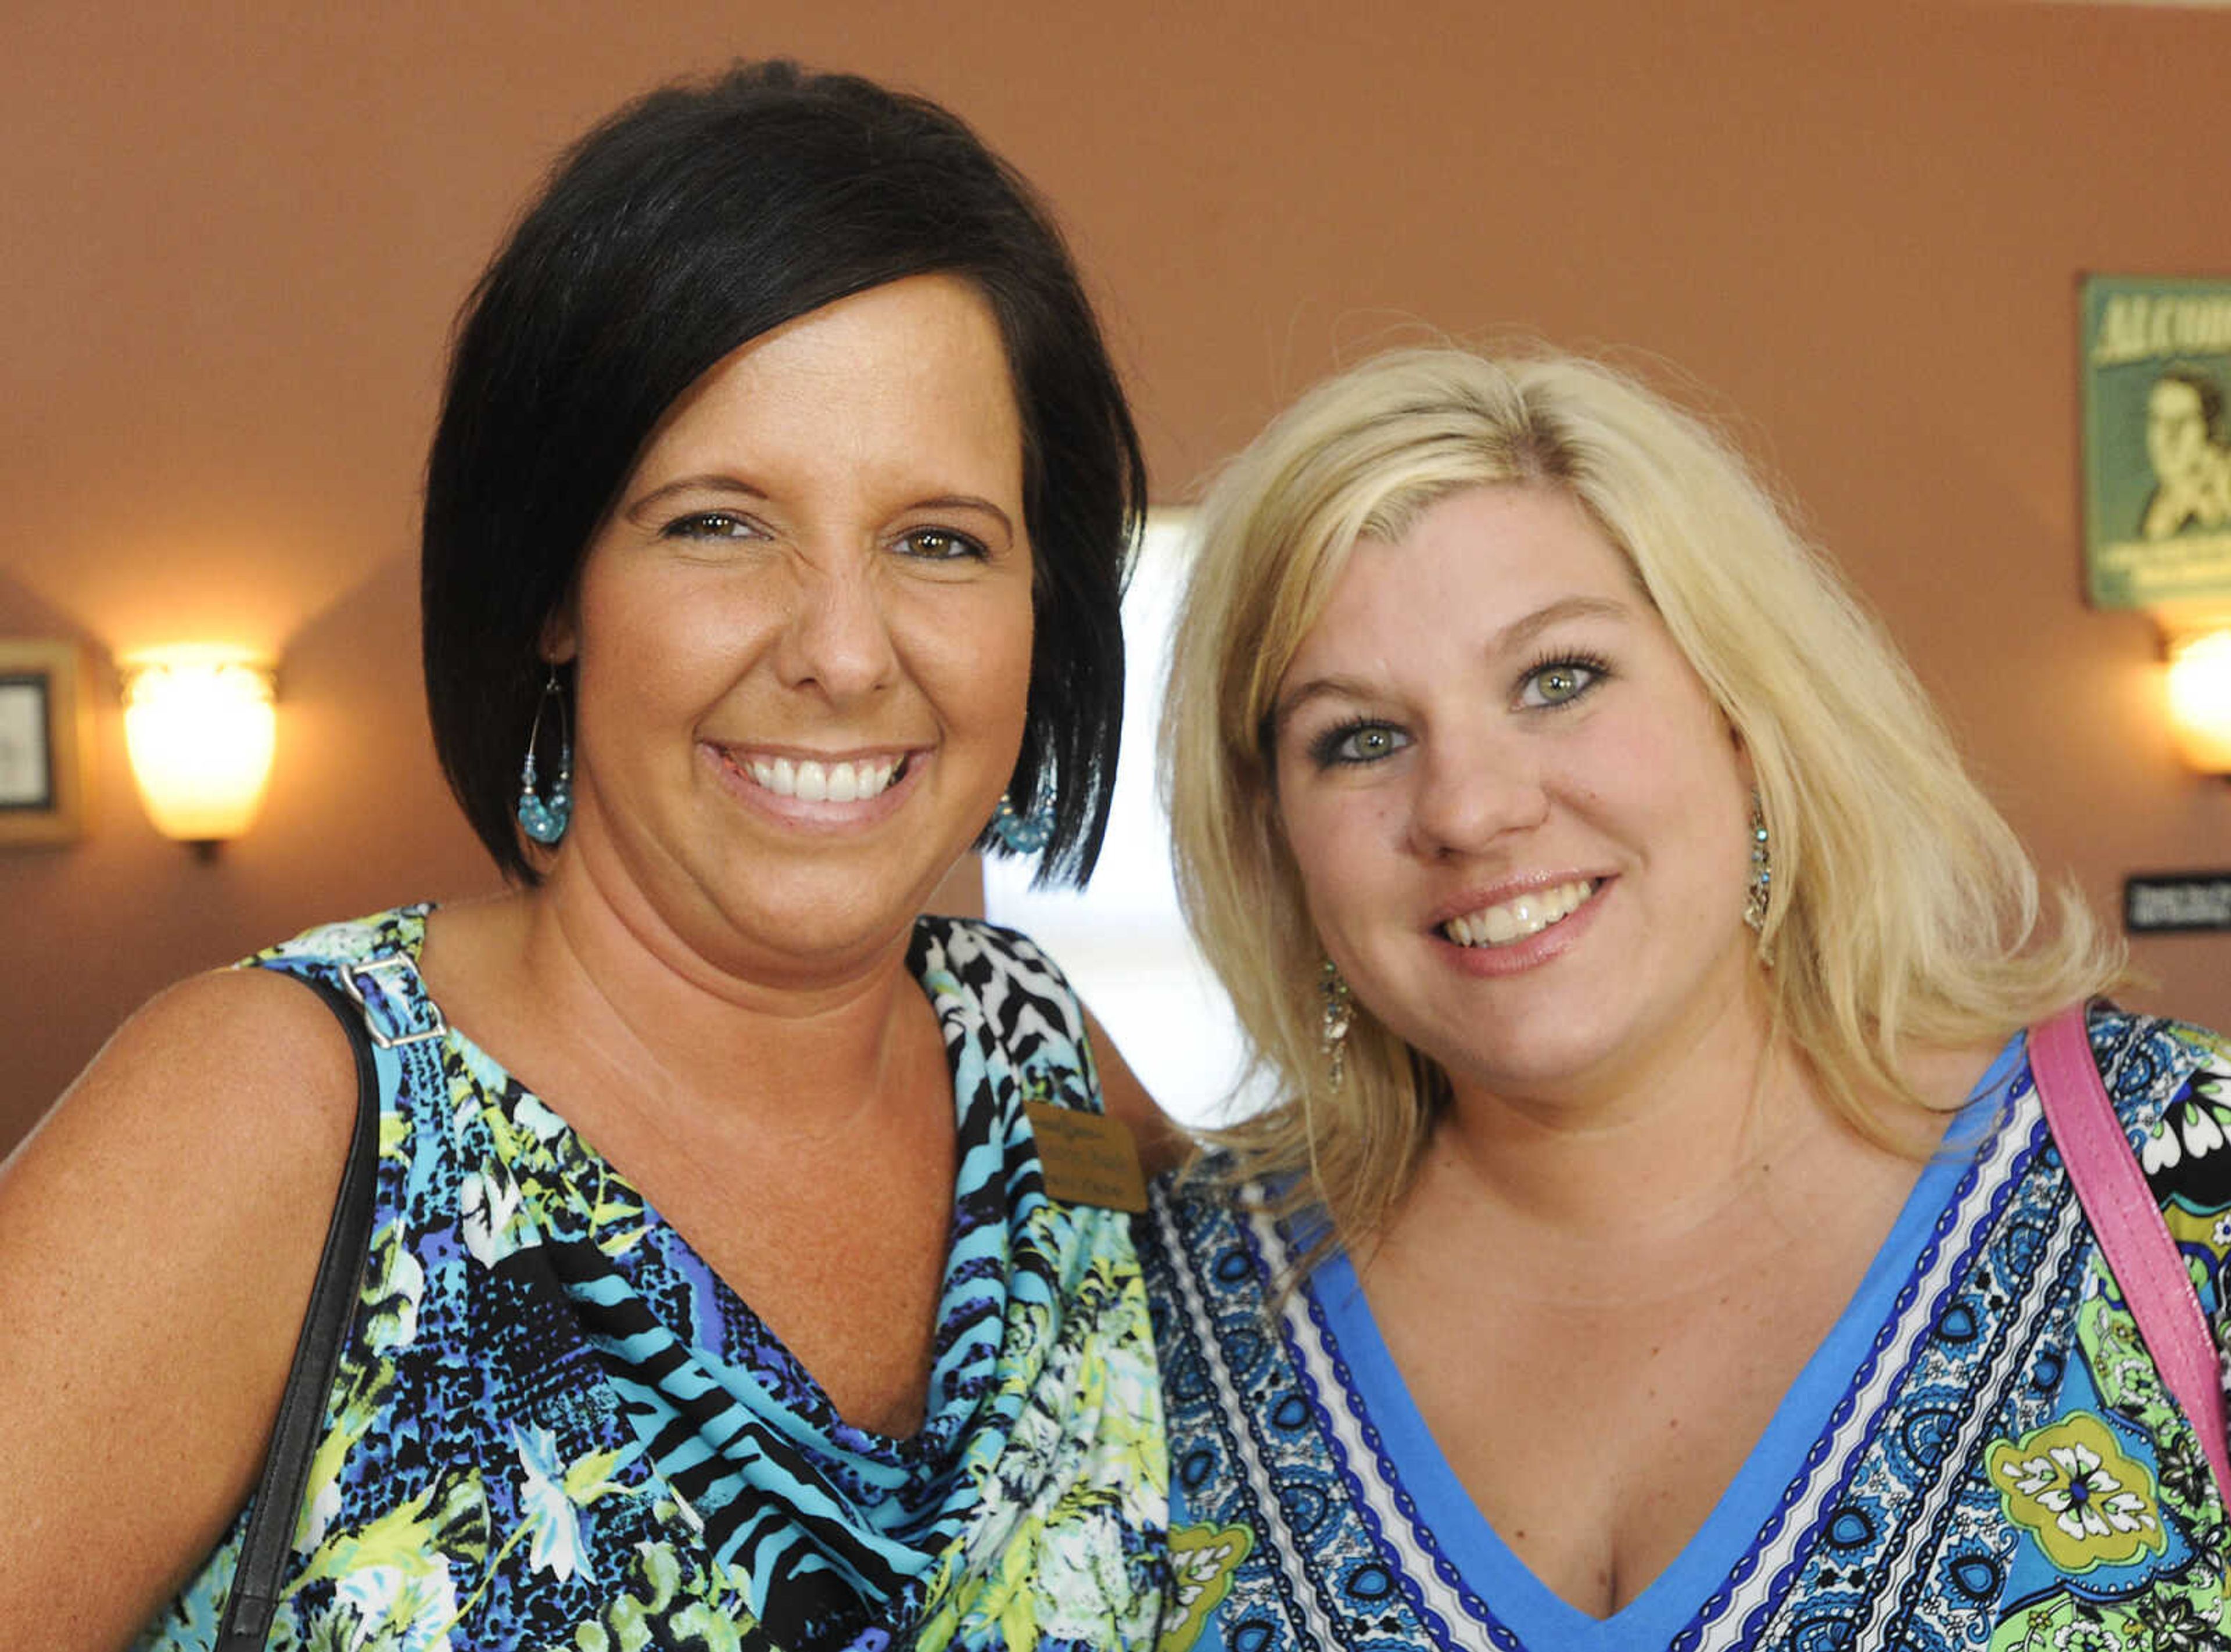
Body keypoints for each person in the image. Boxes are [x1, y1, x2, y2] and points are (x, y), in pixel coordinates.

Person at [0, 63, 1178, 1650]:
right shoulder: (280, 1109)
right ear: (558, 591)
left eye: (941, 539)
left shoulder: (1040, 1059)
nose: (843, 650)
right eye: (719, 522)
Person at [1142, 345, 2231, 1650]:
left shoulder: (2181, 1184)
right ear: (1277, 839)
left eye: (1560, 678)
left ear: (1744, 717)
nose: (1472, 808)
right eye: (1360, 739)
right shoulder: (1158, 1313)